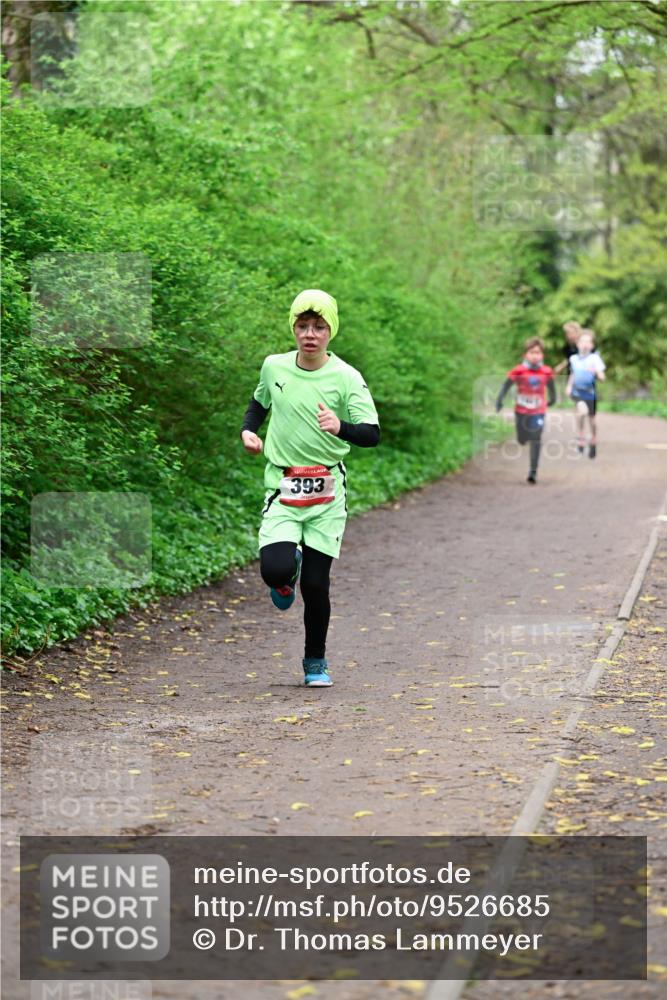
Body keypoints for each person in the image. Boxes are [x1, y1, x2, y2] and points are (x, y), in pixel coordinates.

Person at [240, 289, 380, 687]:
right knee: (275, 570)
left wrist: (341, 427)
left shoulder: (347, 377)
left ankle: (315, 662)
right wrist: (249, 431)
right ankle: (287, 573)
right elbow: (258, 404)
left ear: (330, 330)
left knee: (317, 585)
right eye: (303, 326)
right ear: (294, 328)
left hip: (327, 492)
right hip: (282, 486)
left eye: (319, 327)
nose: (310, 334)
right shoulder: (274, 367)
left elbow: (372, 434)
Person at [495, 337, 556, 484]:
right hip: (521, 410)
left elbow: (552, 387)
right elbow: (506, 385)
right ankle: (522, 437)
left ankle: (533, 471)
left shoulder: (546, 371)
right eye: (531, 352)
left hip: (538, 410)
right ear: (525, 355)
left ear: (542, 355)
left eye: (538, 352)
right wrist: (500, 400)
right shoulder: (519, 370)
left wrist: (553, 399)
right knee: (522, 439)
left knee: (536, 437)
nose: (535, 355)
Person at [566, 328, 605, 458]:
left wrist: (595, 372)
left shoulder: (595, 359)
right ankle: (581, 437)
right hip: (578, 392)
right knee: (581, 412)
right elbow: (573, 374)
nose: (585, 344)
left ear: (592, 345)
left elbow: (602, 377)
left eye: (588, 342)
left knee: (592, 420)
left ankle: (593, 438)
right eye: (582, 341)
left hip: (590, 393)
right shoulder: (573, 359)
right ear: (577, 344)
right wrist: (569, 386)